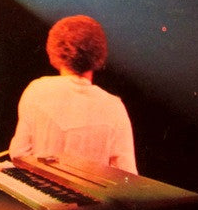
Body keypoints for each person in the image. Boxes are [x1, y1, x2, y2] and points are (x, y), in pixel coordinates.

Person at [9, 15, 138, 174]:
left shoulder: (37, 90)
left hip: (40, 189)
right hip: (92, 191)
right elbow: (128, 175)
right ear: (99, 53)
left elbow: (18, 154)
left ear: (55, 50)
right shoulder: (114, 107)